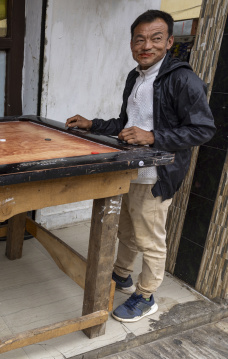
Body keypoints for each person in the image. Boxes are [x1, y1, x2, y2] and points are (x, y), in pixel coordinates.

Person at [65, 10, 216, 323]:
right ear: (132, 43)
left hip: (158, 174)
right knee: (127, 230)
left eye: (156, 38)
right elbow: (126, 124)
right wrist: (92, 123)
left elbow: (203, 129)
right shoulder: (136, 77)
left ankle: (146, 296)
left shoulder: (182, 78)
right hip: (131, 171)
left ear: (169, 42)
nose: (147, 45)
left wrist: (153, 136)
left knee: (150, 238)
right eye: (140, 39)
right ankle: (121, 275)